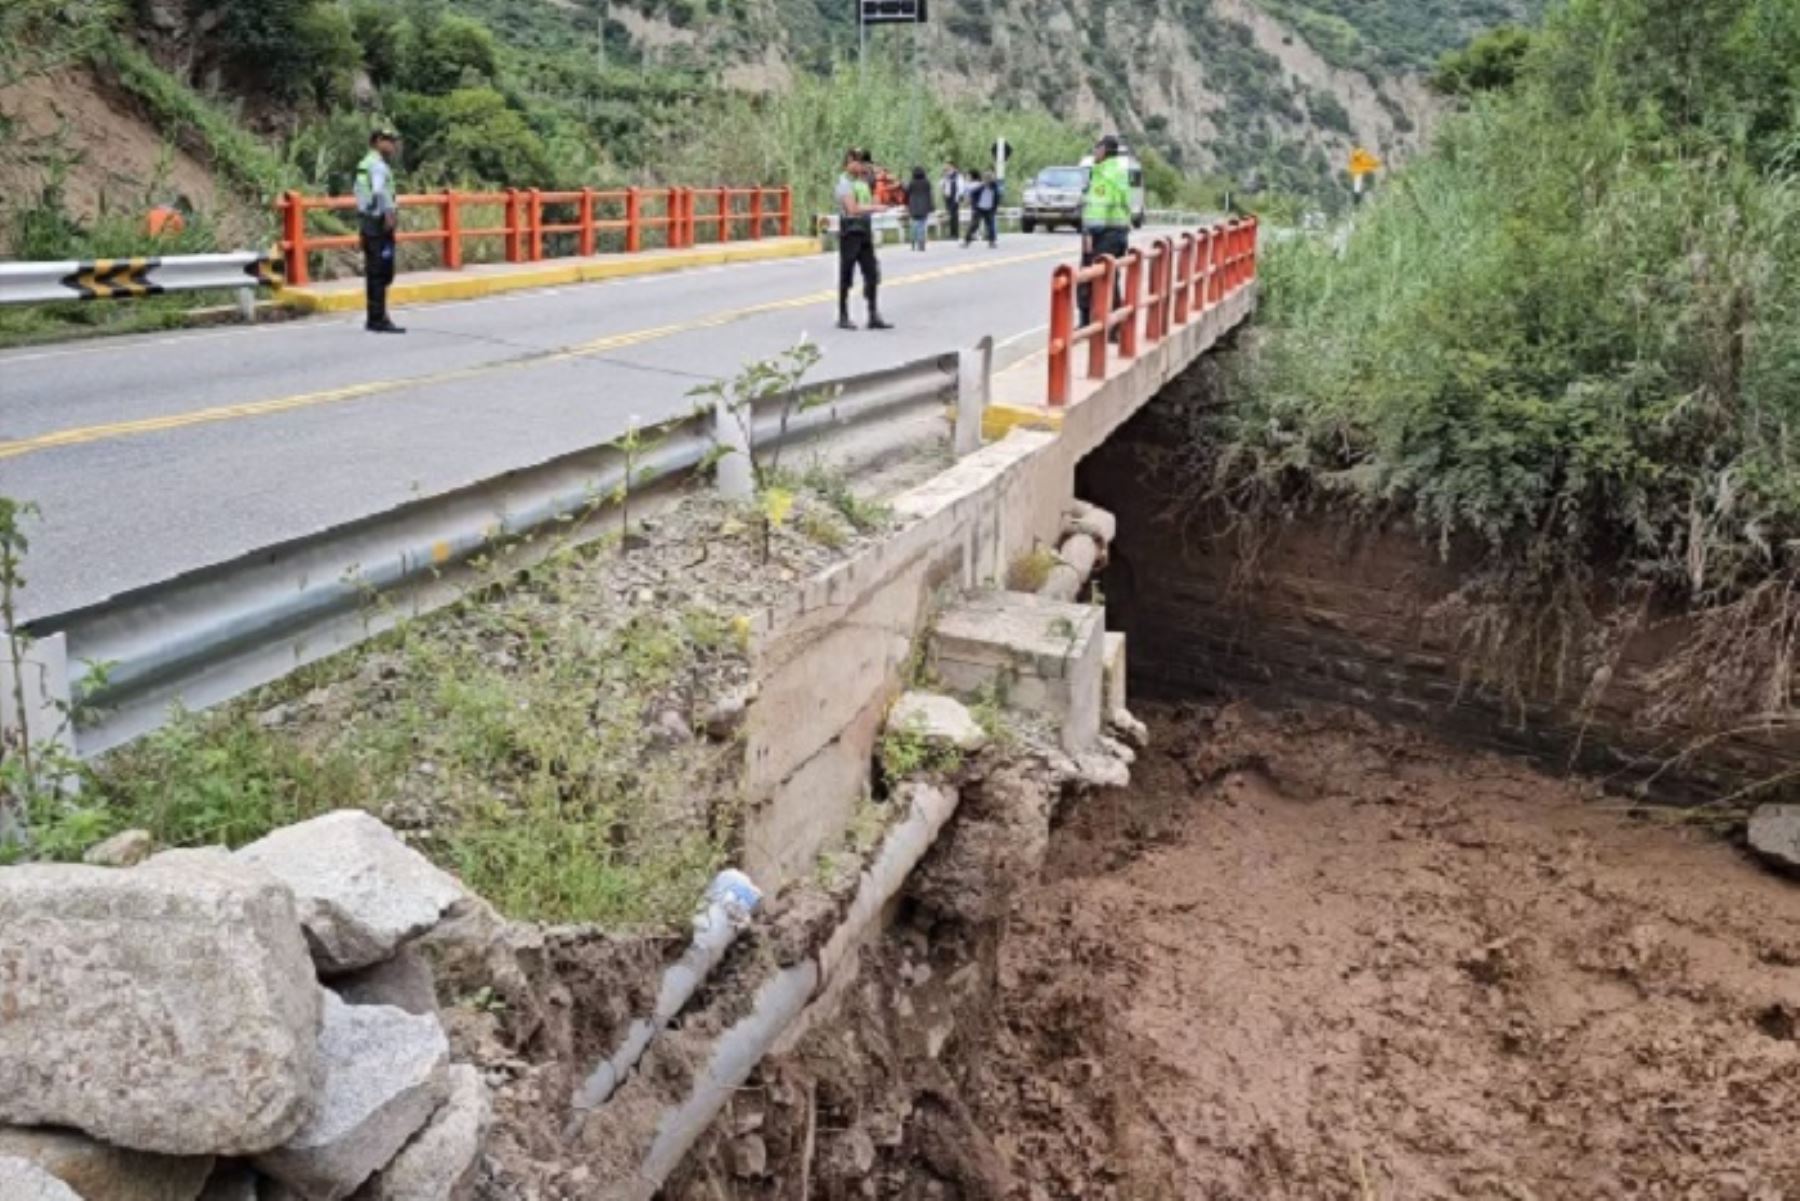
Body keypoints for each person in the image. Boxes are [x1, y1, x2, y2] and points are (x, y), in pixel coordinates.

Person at [1078, 134, 1132, 331]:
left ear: (1104, 151)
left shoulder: (1104, 174)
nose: (1094, 151)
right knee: (1111, 277)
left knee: (1091, 276)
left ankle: (1090, 323)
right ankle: (1114, 326)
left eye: (1096, 148)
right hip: (1119, 232)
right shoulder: (1118, 171)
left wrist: (1089, 233)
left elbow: (1100, 206)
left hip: (1103, 233)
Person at [835, 149, 892, 331]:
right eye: (858, 162)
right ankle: (843, 316)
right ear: (849, 162)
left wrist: (877, 185)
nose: (862, 166)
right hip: (850, 231)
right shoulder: (844, 183)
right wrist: (876, 208)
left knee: (872, 273)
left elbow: (872, 200)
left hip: (864, 231)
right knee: (847, 275)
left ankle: (873, 315)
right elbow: (852, 209)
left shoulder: (863, 183)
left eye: (864, 163)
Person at [354, 128, 404, 334]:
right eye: (388, 141)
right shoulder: (377, 165)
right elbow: (378, 190)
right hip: (379, 224)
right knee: (382, 271)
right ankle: (378, 319)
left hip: (367, 223)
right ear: (377, 141)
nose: (393, 145)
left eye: (393, 141)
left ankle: (376, 316)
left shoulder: (364, 163)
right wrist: (389, 213)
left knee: (375, 271)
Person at [905, 166, 934, 252]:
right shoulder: (926, 182)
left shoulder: (912, 183)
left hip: (913, 206)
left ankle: (913, 242)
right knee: (922, 225)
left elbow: (907, 192)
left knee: (914, 224)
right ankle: (921, 243)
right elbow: (930, 194)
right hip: (924, 205)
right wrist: (931, 206)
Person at [940, 162, 963, 241]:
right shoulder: (946, 176)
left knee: (954, 217)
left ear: (952, 167)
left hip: (954, 198)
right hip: (948, 198)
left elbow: (960, 187)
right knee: (950, 216)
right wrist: (943, 176)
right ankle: (951, 234)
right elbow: (941, 184)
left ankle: (955, 234)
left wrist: (958, 198)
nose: (946, 167)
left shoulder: (957, 176)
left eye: (948, 166)